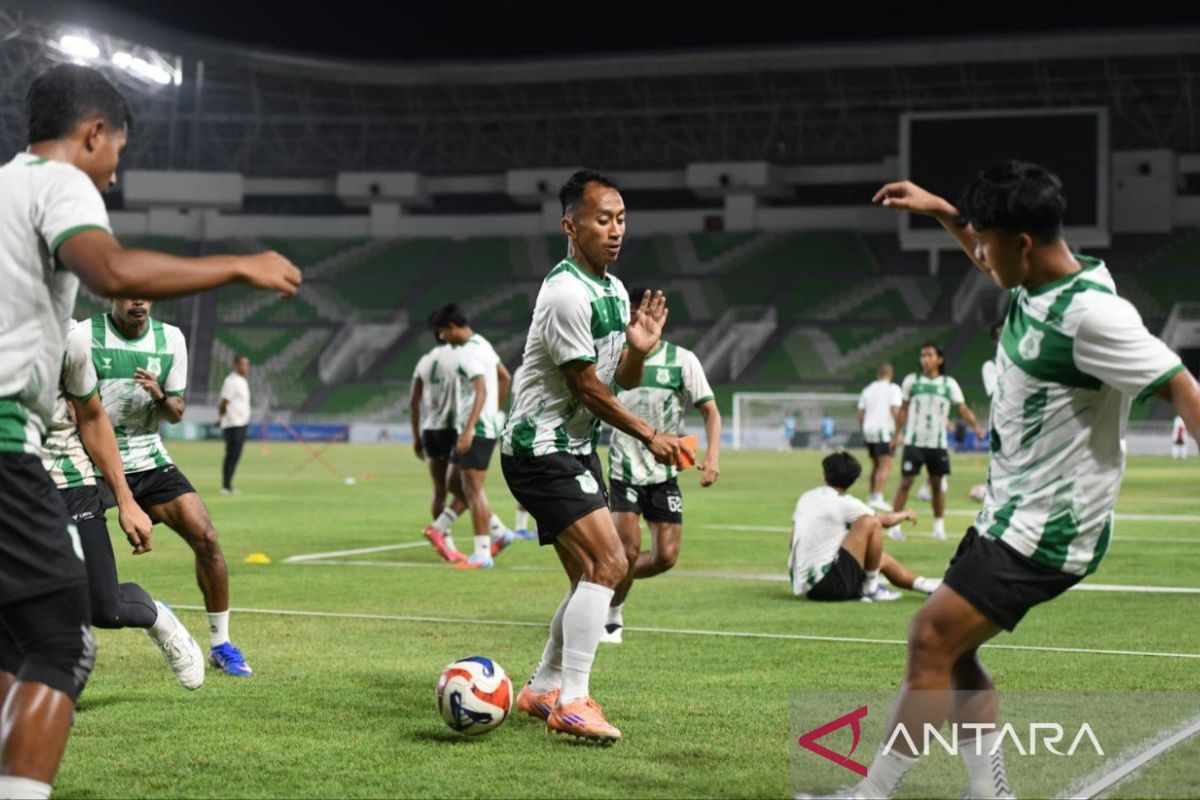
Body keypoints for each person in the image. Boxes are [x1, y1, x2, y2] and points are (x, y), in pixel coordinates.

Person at [801, 161, 1200, 800]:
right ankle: (988, 794)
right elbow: (986, 251)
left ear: (1023, 244)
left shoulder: (1095, 315)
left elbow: (1183, 388)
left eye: (986, 241)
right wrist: (939, 207)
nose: (977, 254)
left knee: (929, 636)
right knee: (955, 654)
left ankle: (871, 795)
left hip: (1047, 529)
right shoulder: (1035, 282)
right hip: (1008, 517)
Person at [0, 63, 298, 799]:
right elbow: (110, 269)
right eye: (117, 155)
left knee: (11, 638)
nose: (112, 174)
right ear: (94, 134)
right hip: (8, 440)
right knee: (62, 642)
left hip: (52, 444)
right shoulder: (56, 181)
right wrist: (237, 263)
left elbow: (91, 406)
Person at [500, 170, 688, 742]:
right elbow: (586, 387)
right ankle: (574, 701)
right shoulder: (564, 293)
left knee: (593, 573)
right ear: (570, 225)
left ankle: (542, 687)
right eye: (602, 219)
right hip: (541, 447)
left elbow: (617, 380)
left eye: (621, 218)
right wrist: (651, 435)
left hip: (575, 447)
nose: (615, 230)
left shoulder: (612, 289)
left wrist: (637, 350)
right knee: (610, 565)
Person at [87, 298, 253, 677]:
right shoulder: (86, 336)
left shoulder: (171, 339)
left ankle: (221, 644)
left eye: (145, 293)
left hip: (149, 459)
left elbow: (176, 412)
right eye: (129, 293)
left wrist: (159, 395)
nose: (139, 300)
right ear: (112, 294)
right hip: (94, 464)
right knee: (63, 561)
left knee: (207, 537)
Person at [43, 321, 205, 689]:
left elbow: (91, 417)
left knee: (106, 607)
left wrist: (126, 500)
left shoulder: (69, 338)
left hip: (67, 480)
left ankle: (159, 619)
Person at [603, 307, 721, 643]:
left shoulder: (682, 360)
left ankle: (601, 582)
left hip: (665, 470)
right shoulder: (614, 362)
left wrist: (712, 455)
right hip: (623, 468)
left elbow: (710, 410)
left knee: (665, 557)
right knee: (626, 551)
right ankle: (611, 615)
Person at [428, 304, 517, 569]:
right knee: (455, 482)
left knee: (473, 490)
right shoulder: (483, 344)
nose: (442, 339)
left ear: (452, 328)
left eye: (442, 333)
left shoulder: (467, 353)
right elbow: (504, 377)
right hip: (476, 425)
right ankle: (497, 530)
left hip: (475, 429)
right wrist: (495, 411)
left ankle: (482, 552)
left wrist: (470, 429)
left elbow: (480, 391)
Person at [789, 452, 941, 603]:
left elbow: (792, 542)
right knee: (871, 522)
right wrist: (905, 514)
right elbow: (884, 521)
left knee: (878, 558)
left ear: (824, 475)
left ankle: (930, 588)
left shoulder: (807, 497)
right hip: (829, 585)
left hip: (807, 585)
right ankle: (870, 589)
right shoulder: (844, 503)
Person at [888, 343, 984, 540]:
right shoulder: (911, 381)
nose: (925, 359)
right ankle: (894, 526)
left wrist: (976, 427)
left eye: (930, 355)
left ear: (939, 359)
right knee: (905, 482)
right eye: (923, 355)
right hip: (914, 442)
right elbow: (903, 409)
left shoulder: (949, 384)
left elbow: (962, 409)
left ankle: (939, 527)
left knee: (937, 485)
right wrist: (897, 433)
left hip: (938, 444)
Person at [412, 333, 469, 561]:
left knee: (439, 490)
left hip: (429, 429)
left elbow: (413, 400)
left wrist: (416, 436)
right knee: (468, 491)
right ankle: (440, 528)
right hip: (452, 428)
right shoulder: (459, 356)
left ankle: (447, 546)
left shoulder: (424, 360)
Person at [857, 363, 902, 509]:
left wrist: (863, 431)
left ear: (878, 374)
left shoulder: (868, 389)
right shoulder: (893, 389)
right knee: (885, 465)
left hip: (869, 430)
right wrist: (898, 432)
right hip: (884, 431)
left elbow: (861, 413)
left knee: (875, 465)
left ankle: (872, 496)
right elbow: (894, 409)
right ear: (891, 374)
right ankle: (878, 496)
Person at [218, 354, 252, 495]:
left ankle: (229, 485)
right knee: (231, 455)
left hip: (242, 423)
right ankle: (226, 486)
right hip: (234, 424)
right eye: (244, 364)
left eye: (248, 364)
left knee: (235, 455)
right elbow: (224, 402)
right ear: (236, 365)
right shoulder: (231, 381)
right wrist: (222, 417)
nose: (247, 367)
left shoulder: (242, 381)